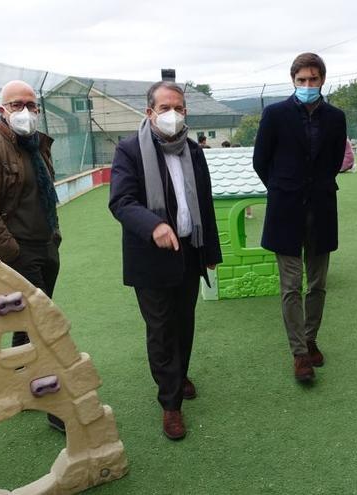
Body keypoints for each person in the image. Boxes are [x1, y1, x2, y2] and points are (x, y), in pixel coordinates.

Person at [109, 81, 222, 440]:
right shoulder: (129, 150)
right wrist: (154, 224)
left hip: (189, 251)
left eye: (179, 108)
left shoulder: (193, 150)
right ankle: (170, 404)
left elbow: (204, 204)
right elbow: (121, 202)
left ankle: (178, 374)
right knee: (161, 329)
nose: (173, 114)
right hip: (151, 258)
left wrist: (210, 253)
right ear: (149, 112)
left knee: (184, 323)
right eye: (165, 108)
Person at [0, 80, 65, 432]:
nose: (26, 111)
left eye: (31, 105)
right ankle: (54, 404)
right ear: (2, 111)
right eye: (17, 104)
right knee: (41, 324)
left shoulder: (38, 145)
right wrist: (14, 254)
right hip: (16, 253)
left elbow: (45, 194)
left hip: (45, 245)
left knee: (28, 323)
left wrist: (54, 237)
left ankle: (22, 384)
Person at [253, 52, 347, 383]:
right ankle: (299, 353)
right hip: (285, 209)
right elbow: (260, 161)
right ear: (293, 81)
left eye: (313, 79)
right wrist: (284, 189)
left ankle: (311, 338)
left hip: (321, 208)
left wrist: (313, 188)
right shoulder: (275, 114)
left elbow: (334, 160)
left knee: (318, 283)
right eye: (301, 80)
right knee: (291, 285)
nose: (308, 85)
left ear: (323, 80)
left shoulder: (336, 117)